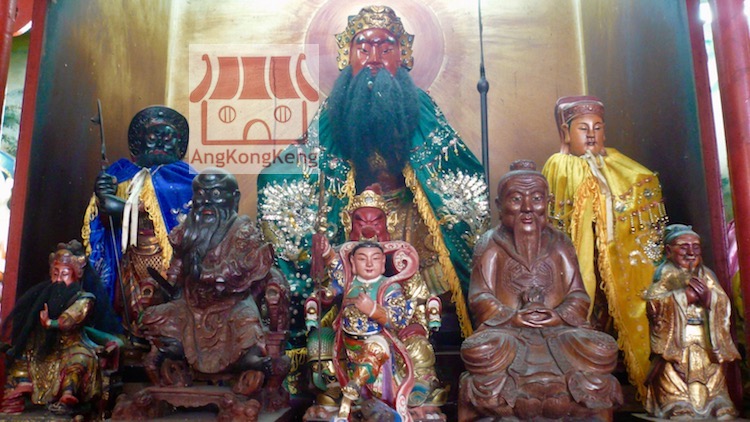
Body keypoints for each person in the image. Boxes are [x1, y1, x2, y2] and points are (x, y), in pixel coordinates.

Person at [257, 5, 489, 383]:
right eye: (363, 49)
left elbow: (452, 170)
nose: (374, 58)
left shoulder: (419, 106)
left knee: (432, 279)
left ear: (404, 55)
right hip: (353, 220)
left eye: (386, 48)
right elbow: (305, 163)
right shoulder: (335, 111)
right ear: (347, 56)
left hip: (410, 221)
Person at [459, 160, 622, 420]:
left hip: (559, 331)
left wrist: (558, 315)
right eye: (516, 199)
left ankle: (528, 401)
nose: (527, 208)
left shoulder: (560, 243)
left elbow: (578, 295)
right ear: (499, 205)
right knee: (478, 350)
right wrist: (513, 317)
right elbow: (480, 297)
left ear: (548, 202)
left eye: (536, 198)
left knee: (602, 349)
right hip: (508, 332)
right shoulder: (490, 244)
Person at [541, 95, 668, 398]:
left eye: (597, 128)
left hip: (620, 260)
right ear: (566, 133)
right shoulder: (560, 166)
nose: (591, 135)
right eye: (582, 128)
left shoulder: (625, 168)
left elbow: (644, 211)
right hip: (580, 260)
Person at [136, 168, 289, 410]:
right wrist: (164, 287)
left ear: (234, 198)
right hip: (190, 305)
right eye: (201, 194)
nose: (207, 201)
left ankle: (251, 361)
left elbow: (239, 267)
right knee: (158, 317)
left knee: (247, 325)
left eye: (216, 194)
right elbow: (176, 267)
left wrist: (209, 275)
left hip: (232, 303)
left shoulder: (242, 230)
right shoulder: (187, 230)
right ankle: (175, 350)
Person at [306, 188, 444, 410]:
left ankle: (418, 386)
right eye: (360, 222)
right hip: (348, 339)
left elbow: (414, 303)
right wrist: (326, 254)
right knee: (320, 342)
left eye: (376, 222)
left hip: (387, 336)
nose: (368, 230)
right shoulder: (348, 269)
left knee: (417, 347)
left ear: (388, 223)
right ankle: (334, 386)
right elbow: (335, 277)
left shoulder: (400, 266)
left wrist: (413, 323)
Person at [82, 105, 195, 337]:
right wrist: (103, 194)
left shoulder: (186, 178)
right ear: (140, 142)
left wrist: (124, 208)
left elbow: (184, 217)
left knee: (163, 305)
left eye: (168, 138)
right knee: (129, 307)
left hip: (166, 261)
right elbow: (104, 222)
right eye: (152, 138)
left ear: (179, 145)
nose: (160, 143)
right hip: (131, 257)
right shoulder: (122, 174)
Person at [0, 241, 122, 416]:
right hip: (46, 346)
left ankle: (68, 393)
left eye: (64, 274)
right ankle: (23, 385)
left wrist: (51, 323)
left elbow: (71, 319)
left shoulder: (84, 299)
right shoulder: (45, 296)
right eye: (55, 274)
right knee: (24, 351)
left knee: (80, 360)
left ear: (76, 275)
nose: (58, 280)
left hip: (73, 344)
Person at [643, 224, 739, 419]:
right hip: (677, 338)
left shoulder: (706, 274)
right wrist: (683, 297)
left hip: (706, 335)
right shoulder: (665, 274)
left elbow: (723, 301)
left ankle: (716, 401)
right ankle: (676, 401)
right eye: (683, 247)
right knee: (673, 368)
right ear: (668, 250)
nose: (690, 253)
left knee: (712, 368)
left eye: (695, 247)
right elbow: (653, 303)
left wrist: (710, 298)